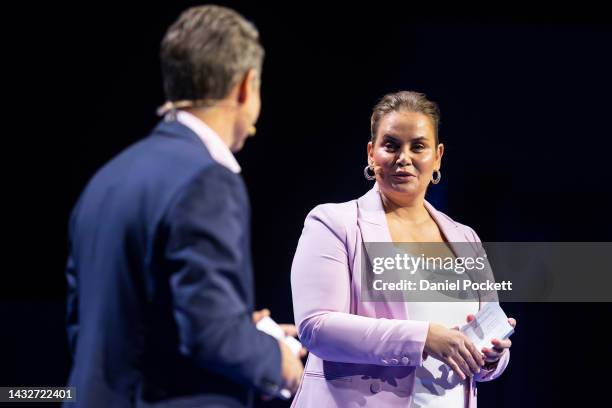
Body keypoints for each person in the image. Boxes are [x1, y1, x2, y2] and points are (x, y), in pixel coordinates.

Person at [64, 5, 303, 407]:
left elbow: (94, 325)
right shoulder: (208, 180)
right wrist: (278, 359)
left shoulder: (105, 179)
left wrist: (239, 328)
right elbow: (209, 334)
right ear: (245, 87)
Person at [290, 91, 516, 407]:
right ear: (371, 153)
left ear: (437, 156)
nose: (404, 158)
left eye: (418, 146)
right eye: (391, 145)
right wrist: (423, 337)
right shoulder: (334, 223)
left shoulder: (465, 238)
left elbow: (482, 357)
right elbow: (317, 328)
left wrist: (490, 356)